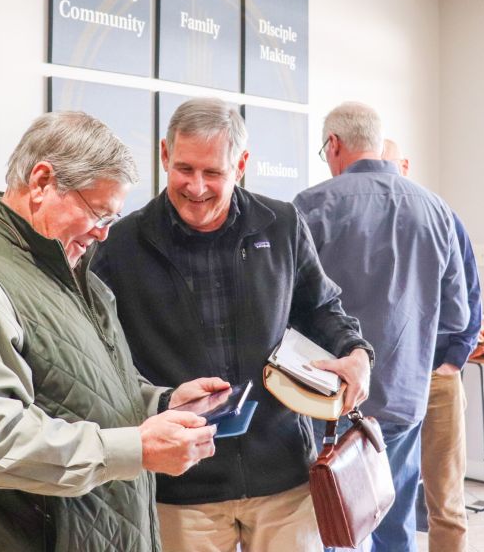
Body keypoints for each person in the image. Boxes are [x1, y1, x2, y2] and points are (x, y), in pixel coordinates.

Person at [0, 111, 230, 552]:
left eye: (111, 220)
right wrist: (135, 448)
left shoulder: (69, 269)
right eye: (98, 214)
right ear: (41, 182)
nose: (102, 234)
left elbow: (85, 387)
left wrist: (164, 402)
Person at [92, 97, 374, 552]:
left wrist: (358, 354)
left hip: (284, 475)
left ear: (241, 165)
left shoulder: (282, 224)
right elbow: (101, 356)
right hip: (183, 486)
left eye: (213, 173)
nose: (196, 187)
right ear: (164, 155)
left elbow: (322, 308)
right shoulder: (122, 245)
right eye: (184, 168)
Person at [293, 102, 469, 552]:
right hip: (405, 400)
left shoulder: (310, 208)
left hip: (329, 398)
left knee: (329, 521)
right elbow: (457, 318)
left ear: (333, 145)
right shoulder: (436, 209)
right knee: (392, 517)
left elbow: (285, 310)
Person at [383, 139, 482, 552]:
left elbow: (471, 294)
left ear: (404, 165)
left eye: (387, 167)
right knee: (388, 496)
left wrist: (454, 361)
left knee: (445, 499)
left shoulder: (440, 218)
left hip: (436, 377)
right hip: (384, 383)